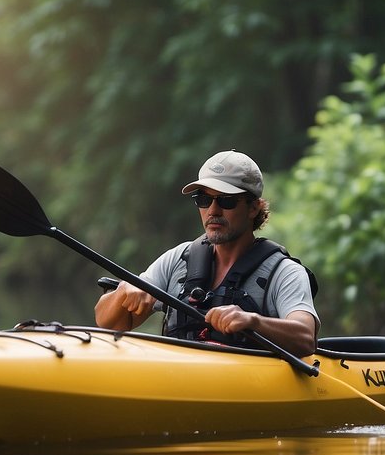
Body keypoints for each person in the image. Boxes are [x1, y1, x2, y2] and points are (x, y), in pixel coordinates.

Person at [95, 150, 319, 357]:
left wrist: (254, 322)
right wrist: (125, 290)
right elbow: (108, 323)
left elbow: (306, 338)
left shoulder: (285, 272)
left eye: (226, 200)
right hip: (175, 379)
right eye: (203, 200)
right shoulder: (177, 259)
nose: (213, 210)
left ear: (254, 208)